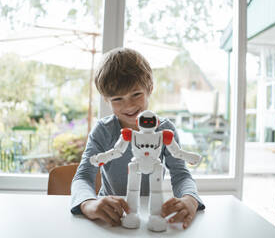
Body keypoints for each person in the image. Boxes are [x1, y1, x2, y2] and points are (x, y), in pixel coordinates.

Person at [70, 47, 205, 230]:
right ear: (105, 99)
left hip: (151, 213)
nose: (130, 105)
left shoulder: (165, 129)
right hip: (111, 216)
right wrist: (88, 203)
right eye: (117, 99)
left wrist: (190, 199)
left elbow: (181, 175)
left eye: (136, 94)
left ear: (149, 88)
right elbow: (84, 176)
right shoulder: (103, 131)